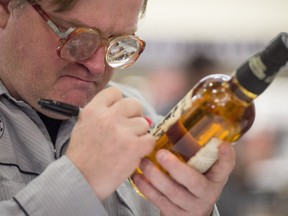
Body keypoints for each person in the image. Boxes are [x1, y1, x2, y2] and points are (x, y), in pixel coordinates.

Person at [0, 0, 235, 215]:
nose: (97, 67)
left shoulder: (138, 114)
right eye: (76, 37)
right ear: (6, 9)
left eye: (118, 43)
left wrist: (193, 208)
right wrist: (80, 179)